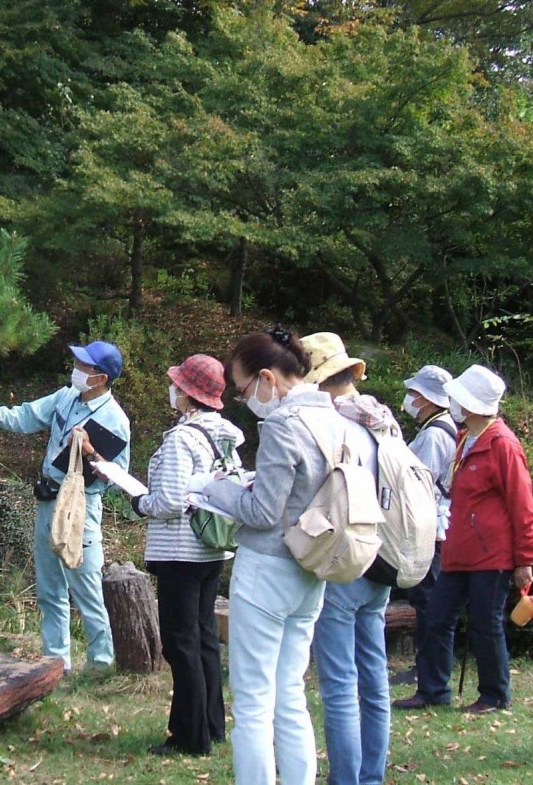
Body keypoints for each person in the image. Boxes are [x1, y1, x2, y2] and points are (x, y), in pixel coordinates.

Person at [197, 326, 375, 785]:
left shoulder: (281, 424)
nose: (244, 398)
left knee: (254, 701)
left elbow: (262, 510)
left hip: (267, 569)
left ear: (266, 378)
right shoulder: (339, 421)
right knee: (290, 694)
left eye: (243, 389)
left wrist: (217, 491)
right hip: (313, 567)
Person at [0, 341, 130, 671]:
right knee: (50, 589)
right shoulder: (65, 396)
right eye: (78, 362)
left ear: (102, 377)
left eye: (85, 366)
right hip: (48, 498)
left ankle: (102, 666)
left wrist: (91, 452)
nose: (76, 368)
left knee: (87, 589)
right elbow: (25, 416)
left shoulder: (115, 419)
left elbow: (115, 476)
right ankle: (55, 664)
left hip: (81, 509)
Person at [393, 364, 533, 715]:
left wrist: (525, 558)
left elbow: (522, 503)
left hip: (492, 553)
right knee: (437, 616)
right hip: (460, 549)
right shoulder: (466, 438)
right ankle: (432, 689)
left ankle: (494, 694)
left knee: (485, 623)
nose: (453, 402)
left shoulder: (501, 443)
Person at [130, 354, 244, 757]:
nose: (172, 390)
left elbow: (171, 501)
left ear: (187, 394)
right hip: (212, 550)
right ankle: (212, 726)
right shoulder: (226, 436)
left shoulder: (182, 438)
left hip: (180, 550)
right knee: (204, 638)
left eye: (177, 385)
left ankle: (189, 736)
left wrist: (140, 502)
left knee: (180, 643)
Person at [301, 332, 396, 785]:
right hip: (385, 555)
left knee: (339, 683)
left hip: (345, 560)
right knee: (373, 676)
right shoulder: (381, 417)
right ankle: (371, 775)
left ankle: (346, 778)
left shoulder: (334, 425)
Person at [401, 365, 459, 685]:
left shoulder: (436, 434)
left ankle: (429, 670)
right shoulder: (439, 427)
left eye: (413, 394)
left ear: (426, 398)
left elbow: (418, 480)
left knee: (428, 602)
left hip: (431, 525)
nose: (409, 399)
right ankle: (426, 667)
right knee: (427, 600)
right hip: (436, 522)